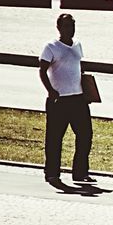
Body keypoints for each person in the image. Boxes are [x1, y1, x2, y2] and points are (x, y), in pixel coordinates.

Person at [39, 14, 94, 186]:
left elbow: (77, 67)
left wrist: (88, 90)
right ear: (59, 27)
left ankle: (80, 173)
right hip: (59, 100)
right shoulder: (51, 47)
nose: (70, 29)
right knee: (55, 138)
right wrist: (50, 90)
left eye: (72, 25)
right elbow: (42, 71)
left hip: (78, 99)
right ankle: (52, 173)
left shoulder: (78, 45)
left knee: (85, 135)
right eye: (66, 26)